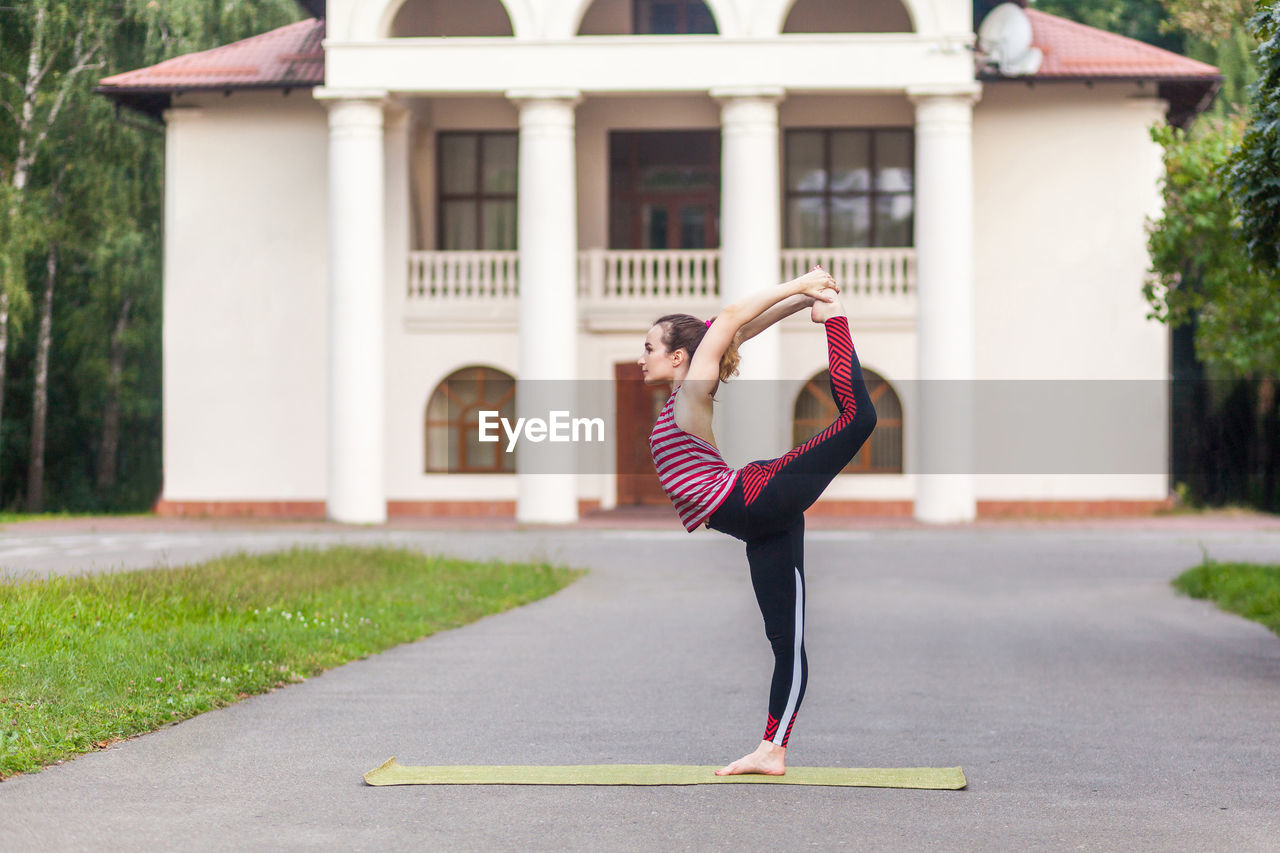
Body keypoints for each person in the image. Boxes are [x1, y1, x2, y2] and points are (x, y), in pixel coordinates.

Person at [639, 266, 877, 776]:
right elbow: (738, 331)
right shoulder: (687, 389)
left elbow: (730, 319)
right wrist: (799, 300)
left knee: (859, 420)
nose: (643, 358)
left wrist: (803, 288)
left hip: (755, 498)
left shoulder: (690, 393)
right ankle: (772, 750)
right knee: (784, 642)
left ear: (678, 358)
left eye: (649, 348)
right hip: (759, 523)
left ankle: (835, 319)